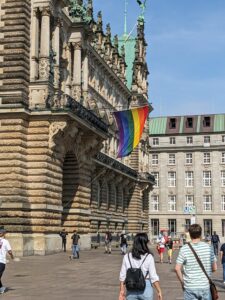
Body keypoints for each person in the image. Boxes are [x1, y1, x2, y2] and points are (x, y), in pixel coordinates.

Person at [175, 224, 217, 300]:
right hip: (205, 286)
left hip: (190, 287)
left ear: (190, 234)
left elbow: (177, 268)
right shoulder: (208, 248)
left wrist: (182, 282)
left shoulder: (184, 249)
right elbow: (214, 268)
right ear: (201, 234)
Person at [119, 233, 163, 300]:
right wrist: (159, 291)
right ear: (144, 243)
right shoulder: (149, 257)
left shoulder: (126, 256)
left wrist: (121, 292)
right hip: (145, 288)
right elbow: (153, 277)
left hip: (131, 289)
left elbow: (122, 276)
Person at [0, 228, 14, 294]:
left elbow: (9, 251)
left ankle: (1, 288)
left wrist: (12, 256)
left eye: (0, 232)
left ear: (3, 233)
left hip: (1, 261)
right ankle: (1, 288)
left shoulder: (6, 241)